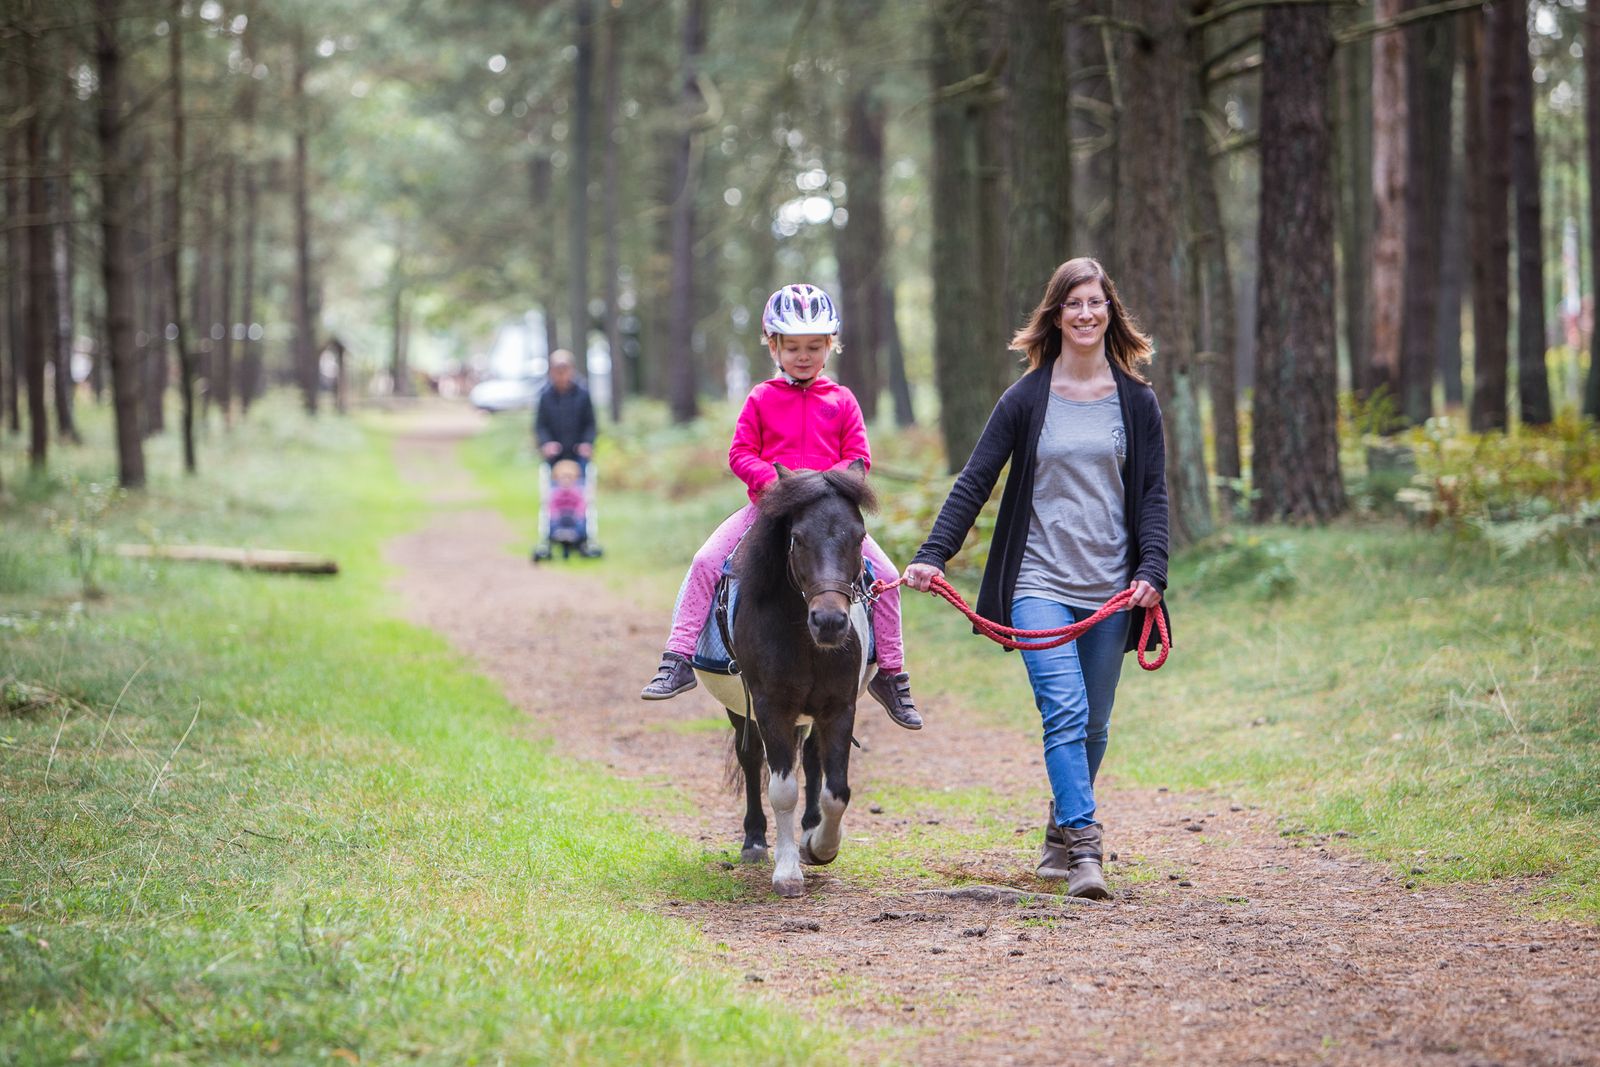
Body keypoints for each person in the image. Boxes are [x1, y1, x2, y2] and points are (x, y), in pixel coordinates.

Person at [902, 257, 1171, 898]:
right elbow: (976, 481)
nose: (1085, 314)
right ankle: (1085, 848)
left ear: (1111, 313)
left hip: (1110, 589)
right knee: (1065, 711)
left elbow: (1155, 494)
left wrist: (1153, 568)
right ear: (1055, 314)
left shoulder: (1137, 402)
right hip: (1037, 582)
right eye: (1073, 303)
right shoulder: (1026, 398)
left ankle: (1058, 829)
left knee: (1096, 724)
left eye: (1096, 303)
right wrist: (933, 553)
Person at [639, 283, 923, 730]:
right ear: (773, 345)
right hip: (768, 511)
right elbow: (740, 453)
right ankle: (677, 657)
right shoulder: (761, 398)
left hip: (830, 520)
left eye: (814, 346)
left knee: (886, 575)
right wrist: (773, 484)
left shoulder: (843, 401)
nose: (803, 356)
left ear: (830, 346)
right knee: (706, 560)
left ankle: (891, 673)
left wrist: (838, 484)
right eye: (792, 347)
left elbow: (859, 457)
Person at [534, 350, 596, 466]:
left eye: (564, 369)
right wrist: (547, 443)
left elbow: (590, 423)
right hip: (555, 455)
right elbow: (541, 425)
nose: (561, 374)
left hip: (578, 453)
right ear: (551, 371)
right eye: (557, 370)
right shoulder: (545, 395)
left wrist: (587, 443)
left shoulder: (582, 394)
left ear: (572, 370)